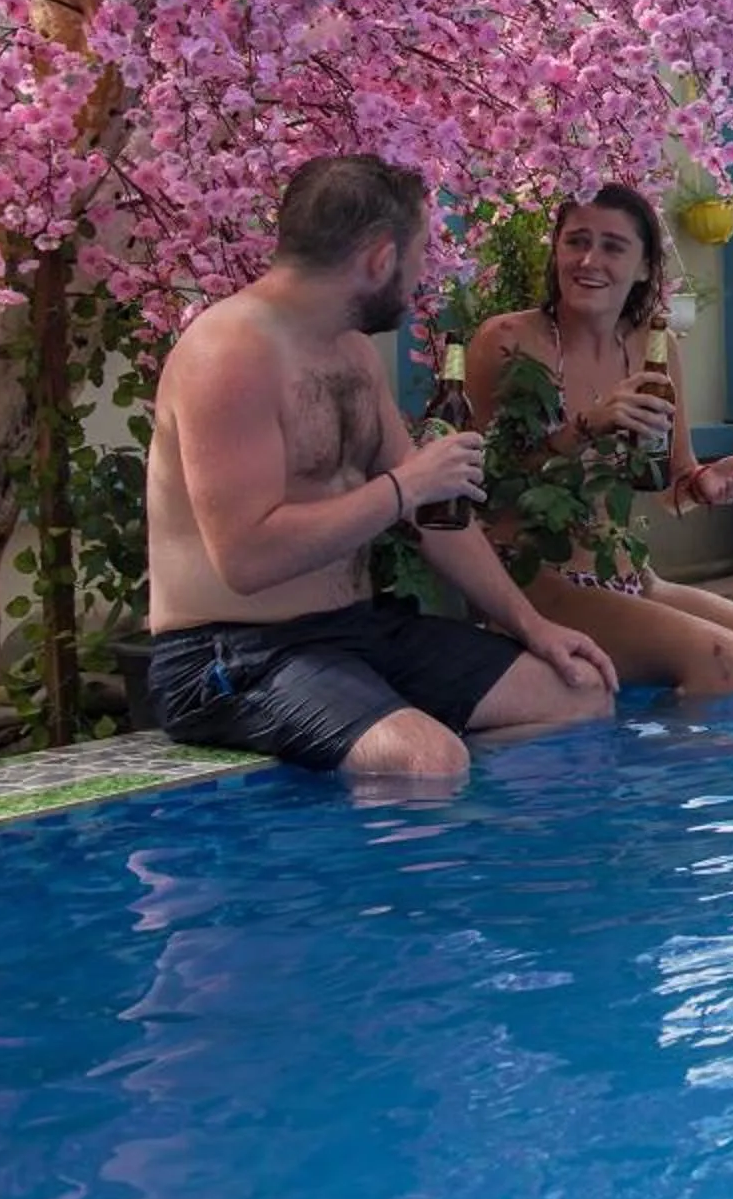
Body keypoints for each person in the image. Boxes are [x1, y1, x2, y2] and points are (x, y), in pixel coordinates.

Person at [145, 155, 620, 779]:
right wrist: (403, 487)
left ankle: (437, 812)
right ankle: (372, 827)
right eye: (419, 255)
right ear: (378, 259)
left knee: (581, 692)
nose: (422, 278)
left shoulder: (351, 355)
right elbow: (246, 559)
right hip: (234, 651)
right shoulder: (228, 355)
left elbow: (434, 512)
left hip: (356, 632)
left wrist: (532, 625)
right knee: (426, 760)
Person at [465, 184, 733, 700]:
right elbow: (484, 485)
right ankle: (666, 780)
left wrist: (704, 485)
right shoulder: (507, 340)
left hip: (628, 575)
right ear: (555, 249)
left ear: (645, 267)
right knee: (718, 655)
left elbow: (674, 486)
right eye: (576, 241)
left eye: (612, 246)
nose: (589, 259)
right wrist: (584, 428)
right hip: (532, 580)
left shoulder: (652, 347)